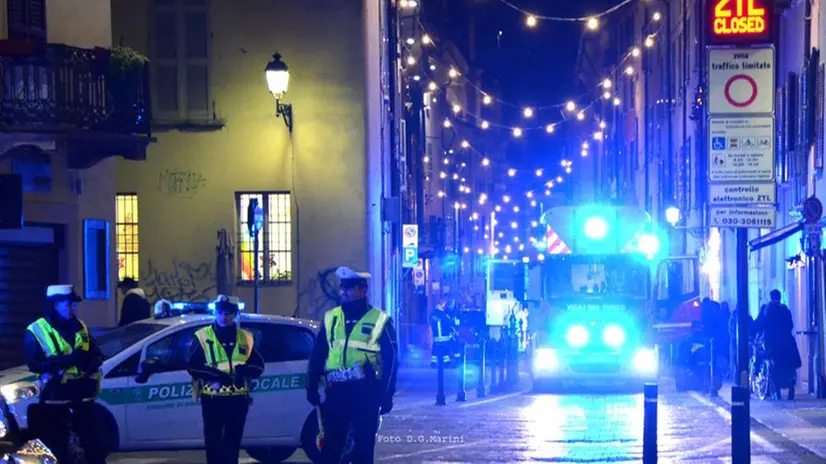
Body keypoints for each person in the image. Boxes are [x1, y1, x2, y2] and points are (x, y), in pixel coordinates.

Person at [306, 266, 399, 464]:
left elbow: (391, 361)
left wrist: (387, 393)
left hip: (365, 392)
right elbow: (318, 354)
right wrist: (312, 385)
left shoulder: (380, 320)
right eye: (343, 288)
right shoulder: (332, 317)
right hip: (336, 391)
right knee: (331, 449)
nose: (344, 293)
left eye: (350, 288)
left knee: (363, 450)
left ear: (363, 290)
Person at [24, 284, 105, 464]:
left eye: (73, 304)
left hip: (82, 396)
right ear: (54, 305)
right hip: (54, 399)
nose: (73, 308)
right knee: (57, 450)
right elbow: (34, 365)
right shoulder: (35, 330)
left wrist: (91, 363)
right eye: (68, 304)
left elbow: (95, 353)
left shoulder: (80, 326)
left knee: (94, 448)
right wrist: (69, 361)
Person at [186, 295, 265, 464]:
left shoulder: (246, 337)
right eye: (220, 312)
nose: (224, 317)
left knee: (233, 444)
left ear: (235, 314)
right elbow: (192, 366)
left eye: (228, 313)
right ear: (215, 313)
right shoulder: (202, 336)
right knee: (213, 444)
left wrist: (244, 371)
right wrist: (217, 376)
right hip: (213, 398)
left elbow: (258, 367)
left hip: (238, 399)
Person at [752, 290, 802, 399]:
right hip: (787, 342)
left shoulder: (767, 311)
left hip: (772, 343)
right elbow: (790, 325)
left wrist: (752, 332)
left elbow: (759, 324)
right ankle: (791, 388)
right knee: (789, 366)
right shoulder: (785, 310)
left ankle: (777, 391)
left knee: (773, 365)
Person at [430, 299, 457, 367]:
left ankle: (433, 363)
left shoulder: (433, 314)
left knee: (435, 350)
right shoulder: (444, 315)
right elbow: (449, 323)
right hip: (444, 337)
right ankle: (446, 363)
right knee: (445, 350)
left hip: (436, 337)